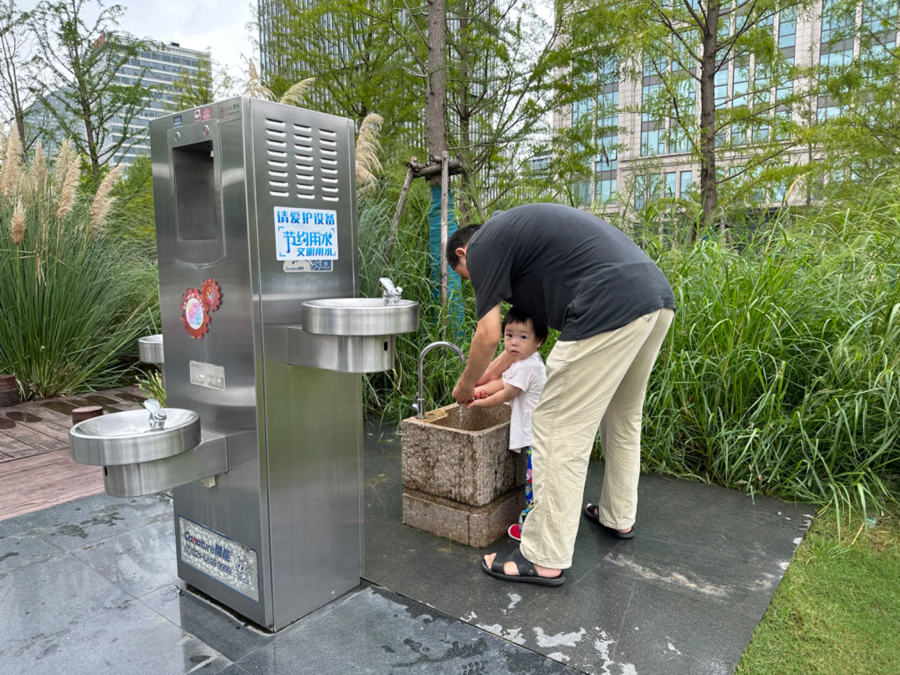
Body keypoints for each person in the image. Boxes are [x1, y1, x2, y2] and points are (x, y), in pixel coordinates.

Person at [448, 203, 675, 587]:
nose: (474, 284)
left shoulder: (484, 245)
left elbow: (486, 334)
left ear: (462, 254)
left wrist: (464, 387)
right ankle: (617, 517)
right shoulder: (522, 252)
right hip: (653, 296)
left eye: (465, 278)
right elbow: (517, 343)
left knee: (556, 425)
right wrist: (489, 376)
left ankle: (543, 557)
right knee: (622, 418)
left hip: (607, 303)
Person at [468, 306, 548, 542]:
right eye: (509, 335)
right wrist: (477, 391)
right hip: (539, 433)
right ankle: (534, 526)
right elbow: (502, 382)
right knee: (536, 482)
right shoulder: (526, 360)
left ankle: (529, 530)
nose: (514, 342)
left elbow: (505, 394)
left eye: (523, 337)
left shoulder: (527, 367)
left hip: (536, 436)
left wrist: (477, 403)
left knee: (534, 486)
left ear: (538, 342)